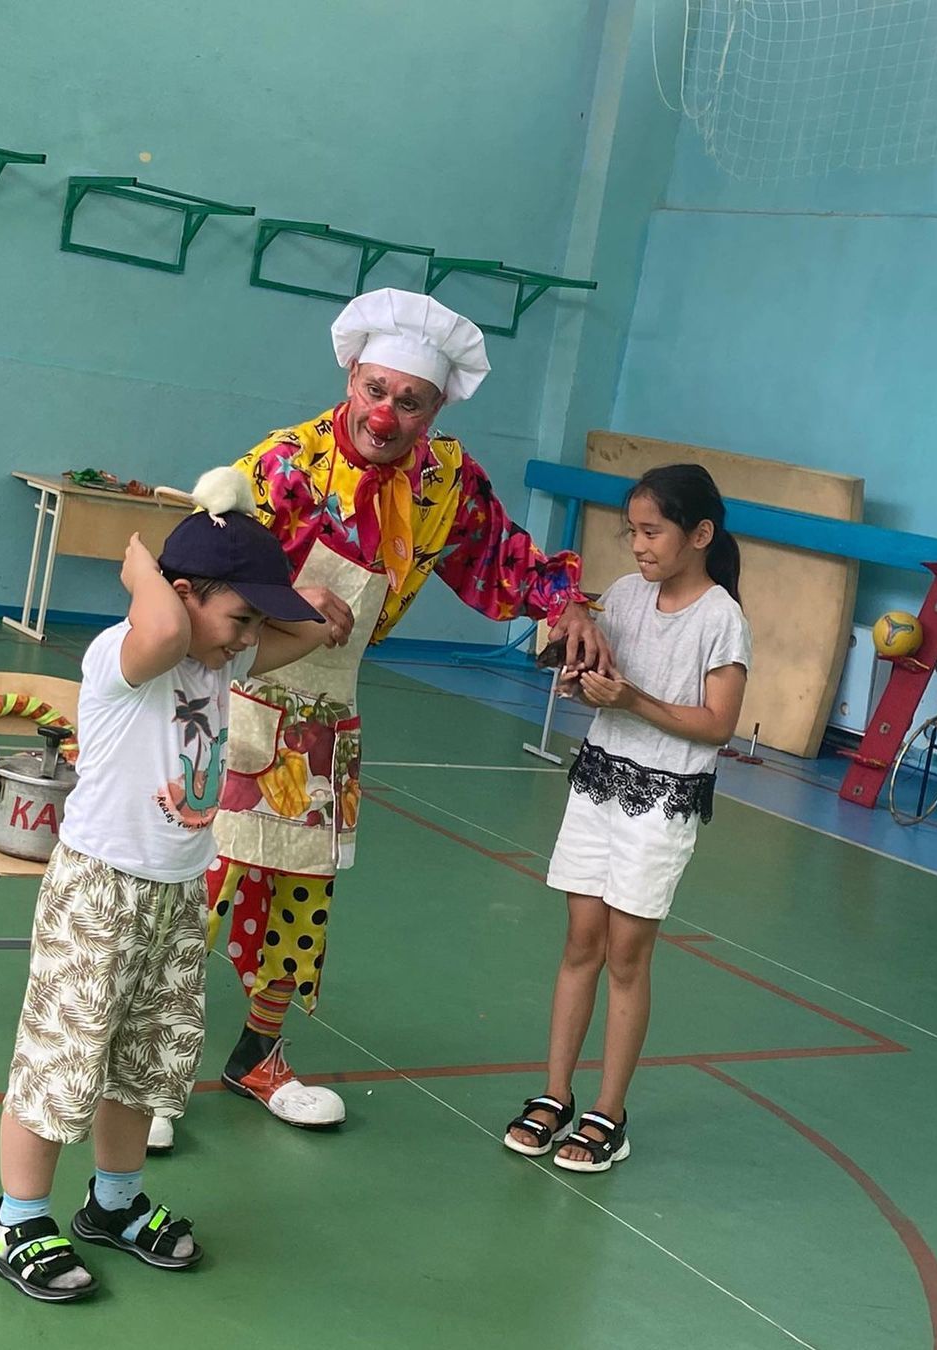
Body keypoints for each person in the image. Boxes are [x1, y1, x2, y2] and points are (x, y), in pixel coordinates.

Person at [149, 287, 611, 1147]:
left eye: (411, 402)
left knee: (299, 903)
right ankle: (149, 1070)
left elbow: (502, 560)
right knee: (193, 892)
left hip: (330, 717)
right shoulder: (287, 462)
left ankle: (258, 1055)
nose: (386, 416)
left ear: (435, 411)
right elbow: (194, 563)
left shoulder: (446, 482)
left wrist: (566, 602)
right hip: (236, 695)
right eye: (376, 391)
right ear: (351, 378)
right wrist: (284, 594)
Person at [0, 470, 334, 1301]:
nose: (247, 638)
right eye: (239, 618)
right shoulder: (125, 654)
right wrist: (142, 565)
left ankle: (114, 1203)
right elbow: (167, 624)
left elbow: (298, 634)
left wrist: (284, 607)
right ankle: (16, 1219)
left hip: (175, 894)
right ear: (181, 594)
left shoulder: (213, 661)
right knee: (62, 1057)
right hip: (99, 892)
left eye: (253, 625)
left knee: (145, 1059)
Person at [503, 463, 750, 1172]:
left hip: (663, 798)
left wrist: (632, 699)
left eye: (653, 531)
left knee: (626, 955)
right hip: (599, 782)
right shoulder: (623, 595)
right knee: (580, 941)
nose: (638, 545)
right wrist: (583, 682)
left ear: (699, 535)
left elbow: (717, 724)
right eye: (633, 531)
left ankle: (610, 1112)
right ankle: (556, 1095)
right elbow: (601, 687)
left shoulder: (721, 619)